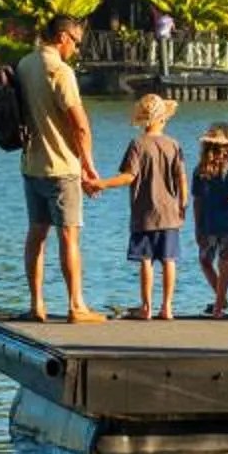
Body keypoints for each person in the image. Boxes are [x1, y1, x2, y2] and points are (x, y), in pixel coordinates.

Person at [17, 11, 104, 322]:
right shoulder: (60, 71)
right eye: (76, 42)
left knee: (36, 234)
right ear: (64, 37)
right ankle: (75, 305)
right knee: (69, 236)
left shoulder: (25, 64)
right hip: (61, 167)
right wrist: (88, 166)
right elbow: (80, 125)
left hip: (31, 164)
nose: (76, 49)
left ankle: (36, 304)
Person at [90, 92, 189, 320]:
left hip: (144, 214)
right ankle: (167, 307)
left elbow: (128, 176)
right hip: (170, 213)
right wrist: (183, 203)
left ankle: (146, 307)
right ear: (163, 118)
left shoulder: (137, 144)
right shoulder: (174, 145)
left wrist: (102, 183)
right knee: (169, 259)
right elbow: (182, 178)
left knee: (145, 260)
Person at [190, 124, 228, 317]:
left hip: (207, 224)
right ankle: (219, 305)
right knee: (225, 264)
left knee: (205, 261)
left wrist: (197, 228)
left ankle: (221, 300)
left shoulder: (200, 170)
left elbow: (197, 201)